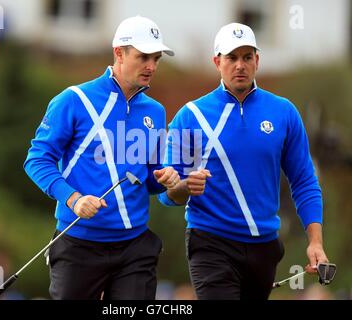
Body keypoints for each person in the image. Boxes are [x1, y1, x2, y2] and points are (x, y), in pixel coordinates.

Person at [158, 22, 328, 300]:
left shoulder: (283, 112)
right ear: (217, 62)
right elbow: (168, 195)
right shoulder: (192, 116)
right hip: (210, 241)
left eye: (247, 57)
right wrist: (186, 186)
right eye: (232, 58)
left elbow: (305, 182)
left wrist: (315, 242)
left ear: (257, 61)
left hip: (264, 246)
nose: (240, 65)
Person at [24, 16, 180, 300]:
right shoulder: (73, 100)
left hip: (135, 247)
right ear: (118, 53)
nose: (152, 66)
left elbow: (151, 177)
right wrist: (74, 199)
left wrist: (165, 177)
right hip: (78, 245)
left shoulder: (155, 111)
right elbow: (37, 159)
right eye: (144, 56)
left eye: (156, 58)